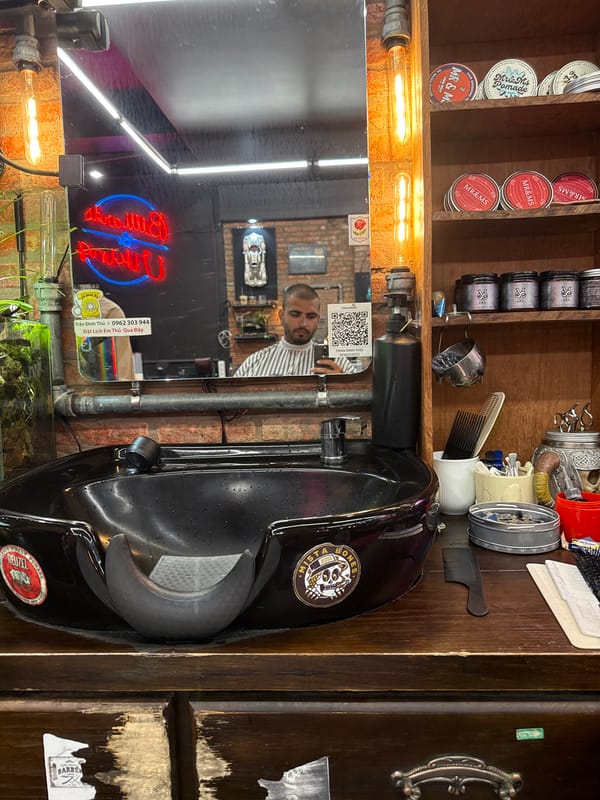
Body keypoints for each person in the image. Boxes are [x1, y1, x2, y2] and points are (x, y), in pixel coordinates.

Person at [234, 283, 357, 378]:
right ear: (281, 316)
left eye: (311, 316)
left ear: (318, 319)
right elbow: (232, 405)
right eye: (295, 314)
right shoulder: (255, 362)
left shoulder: (338, 363)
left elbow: (361, 403)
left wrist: (343, 385)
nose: (303, 323)